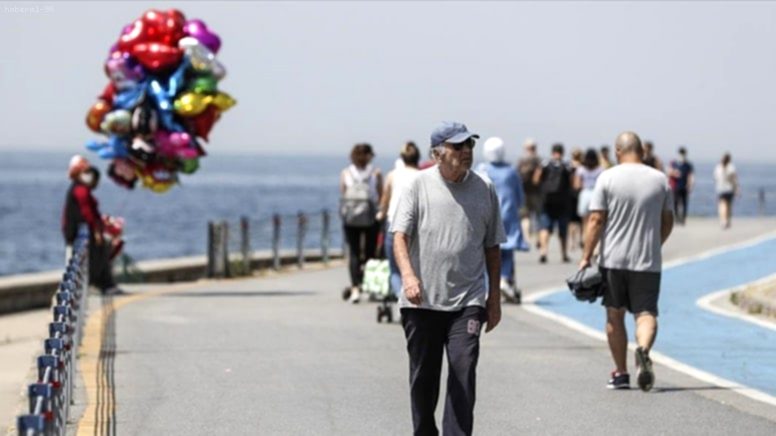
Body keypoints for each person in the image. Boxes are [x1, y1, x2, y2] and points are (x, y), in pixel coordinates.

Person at [392, 121, 504, 436]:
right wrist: (409, 276)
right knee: (424, 379)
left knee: (463, 371)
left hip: (466, 302)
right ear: (438, 154)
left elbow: (492, 248)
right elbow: (399, 237)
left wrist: (493, 299)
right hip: (422, 301)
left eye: (469, 145)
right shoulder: (417, 185)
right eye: (458, 146)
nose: (466, 152)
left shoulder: (484, 188)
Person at [579, 131, 674, 392]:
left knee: (615, 314)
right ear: (642, 151)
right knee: (646, 314)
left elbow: (596, 220)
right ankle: (642, 349)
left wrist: (586, 256)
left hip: (614, 259)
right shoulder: (660, 180)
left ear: (617, 151)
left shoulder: (607, 178)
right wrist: (656, 245)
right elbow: (668, 221)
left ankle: (620, 373)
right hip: (647, 260)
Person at [476, 137, 529, 303]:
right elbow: (520, 198)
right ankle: (505, 279)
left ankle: (487, 286)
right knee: (507, 250)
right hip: (508, 215)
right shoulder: (511, 171)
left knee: (486, 252)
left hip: (486, 216)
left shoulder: (481, 170)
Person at [61, 156, 120, 294]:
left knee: (102, 252)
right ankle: (101, 283)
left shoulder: (80, 189)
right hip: (79, 232)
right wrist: (96, 231)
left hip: (84, 230)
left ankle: (103, 282)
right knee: (97, 255)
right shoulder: (80, 190)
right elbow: (87, 213)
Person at [339, 143, 383, 303]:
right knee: (371, 252)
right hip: (370, 217)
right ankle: (368, 285)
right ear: (368, 155)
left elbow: (343, 193)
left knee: (354, 252)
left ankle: (355, 287)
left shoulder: (346, 173)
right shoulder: (375, 173)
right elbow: (380, 195)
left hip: (350, 218)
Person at [378, 141, 421, 301]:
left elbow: (384, 201)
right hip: (417, 226)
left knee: (395, 268)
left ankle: (400, 297)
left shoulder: (392, 175)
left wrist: (380, 215)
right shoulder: (423, 176)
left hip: (394, 224)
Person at [533, 143, 572, 263]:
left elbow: (536, 179)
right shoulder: (566, 165)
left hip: (546, 201)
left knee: (544, 227)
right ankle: (564, 254)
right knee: (563, 229)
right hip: (562, 201)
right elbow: (573, 183)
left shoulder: (545, 164)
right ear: (563, 152)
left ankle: (543, 252)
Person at [573, 148, 604, 243]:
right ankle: (594, 239)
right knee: (595, 219)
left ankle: (585, 238)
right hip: (596, 194)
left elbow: (576, 185)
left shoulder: (581, 169)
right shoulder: (600, 170)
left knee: (585, 221)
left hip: (585, 193)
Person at [516, 138, 542, 244]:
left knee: (525, 216)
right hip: (536, 191)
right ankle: (537, 237)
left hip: (524, 191)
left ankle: (527, 238)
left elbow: (516, 175)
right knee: (537, 215)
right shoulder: (538, 159)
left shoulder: (521, 159)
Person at [668, 146, 694, 225]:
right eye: (681, 154)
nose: (682, 156)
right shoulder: (674, 163)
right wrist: (674, 173)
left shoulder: (688, 165)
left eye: (683, 154)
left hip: (684, 186)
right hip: (675, 186)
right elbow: (669, 172)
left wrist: (690, 185)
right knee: (675, 203)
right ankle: (676, 218)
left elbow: (690, 175)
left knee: (684, 203)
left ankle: (683, 219)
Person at [713, 153, 739, 229]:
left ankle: (723, 220)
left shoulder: (718, 167)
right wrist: (737, 189)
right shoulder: (731, 167)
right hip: (729, 189)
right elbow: (734, 180)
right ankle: (727, 220)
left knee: (722, 205)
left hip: (720, 189)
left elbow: (715, 178)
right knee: (729, 205)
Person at [568, 148, 584, 251]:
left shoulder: (569, 166)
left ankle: (571, 241)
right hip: (580, 194)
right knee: (582, 220)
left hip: (570, 194)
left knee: (571, 221)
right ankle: (581, 239)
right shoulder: (583, 167)